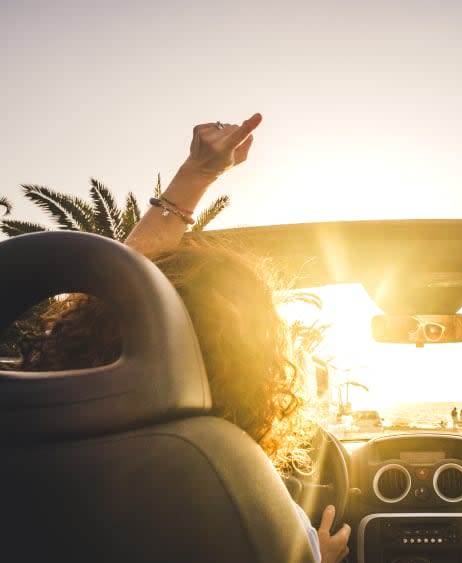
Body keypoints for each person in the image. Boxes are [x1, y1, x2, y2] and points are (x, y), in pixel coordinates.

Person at [21, 113, 351, 563]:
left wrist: (194, 175)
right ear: (257, 366)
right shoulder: (241, 483)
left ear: (97, 323)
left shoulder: (35, 447)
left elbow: (120, 284)